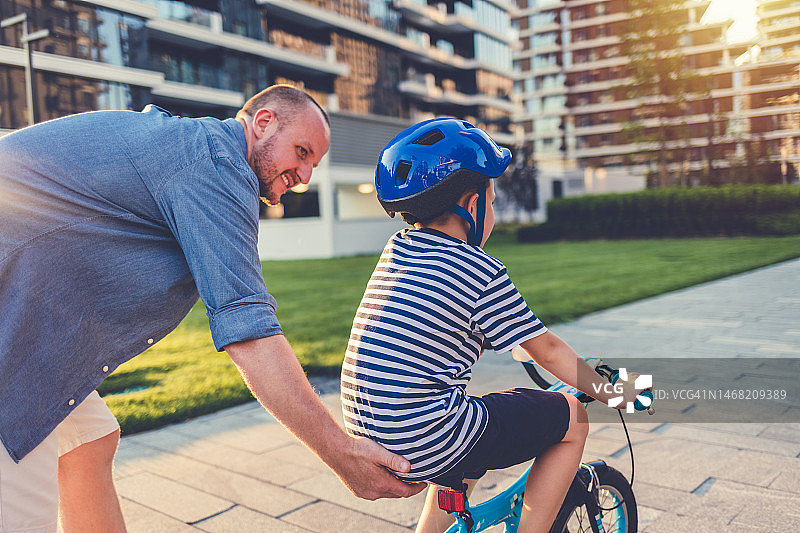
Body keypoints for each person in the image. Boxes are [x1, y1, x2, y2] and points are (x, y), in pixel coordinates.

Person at [0, 85, 424, 533]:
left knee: (89, 441)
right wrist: (340, 452)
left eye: (312, 164)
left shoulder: (193, 149)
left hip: (31, 328)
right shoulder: (216, 165)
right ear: (262, 123)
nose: (303, 175)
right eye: (301, 152)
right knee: (24, 504)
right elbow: (247, 325)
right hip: (15, 345)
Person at [340, 118, 644, 533]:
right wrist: (611, 390)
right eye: (494, 201)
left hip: (369, 430)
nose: (494, 212)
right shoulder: (477, 268)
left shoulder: (396, 252)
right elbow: (548, 350)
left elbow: (442, 322)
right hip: (428, 434)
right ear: (471, 205)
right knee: (572, 418)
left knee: (467, 432)